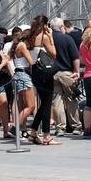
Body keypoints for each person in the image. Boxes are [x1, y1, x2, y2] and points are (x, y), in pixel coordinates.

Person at [25, 15, 58, 145]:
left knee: (43, 103)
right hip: (45, 73)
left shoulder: (29, 37)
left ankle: (33, 132)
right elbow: (54, 54)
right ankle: (46, 135)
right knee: (47, 104)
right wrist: (51, 38)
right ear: (44, 25)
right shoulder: (44, 37)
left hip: (35, 73)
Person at [49, 17, 80, 135]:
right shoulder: (67, 38)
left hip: (53, 73)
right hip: (67, 73)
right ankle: (76, 126)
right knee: (72, 99)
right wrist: (76, 71)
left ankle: (60, 127)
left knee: (57, 101)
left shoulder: (49, 39)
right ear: (62, 27)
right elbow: (75, 57)